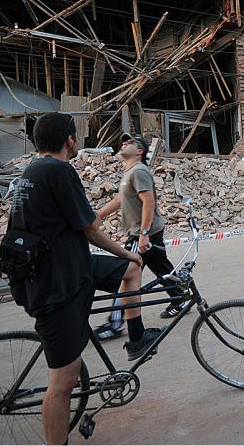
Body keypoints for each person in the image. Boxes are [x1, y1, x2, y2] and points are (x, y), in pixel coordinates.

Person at [7, 113, 161, 444]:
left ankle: (136, 338)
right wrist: (126, 251)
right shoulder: (59, 170)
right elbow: (89, 229)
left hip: (73, 267)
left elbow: (83, 220)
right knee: (64, 382)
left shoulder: (32, 172)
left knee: (132, 271)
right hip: (56, 284)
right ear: (69, 140)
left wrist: (126, 255)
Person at [93, 133, 186, 341]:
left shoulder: (139, 171)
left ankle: (115, 323)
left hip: (141, 234)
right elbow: (120, 199)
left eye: (130, 142)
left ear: (140, 151)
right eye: (123, 140)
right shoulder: (130, 173)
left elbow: (149, 202)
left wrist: (143, 234)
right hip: (147, 232)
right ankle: (180, 299)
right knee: (161, 267)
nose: (124, 143)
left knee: (125, 275)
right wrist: (99, 215)